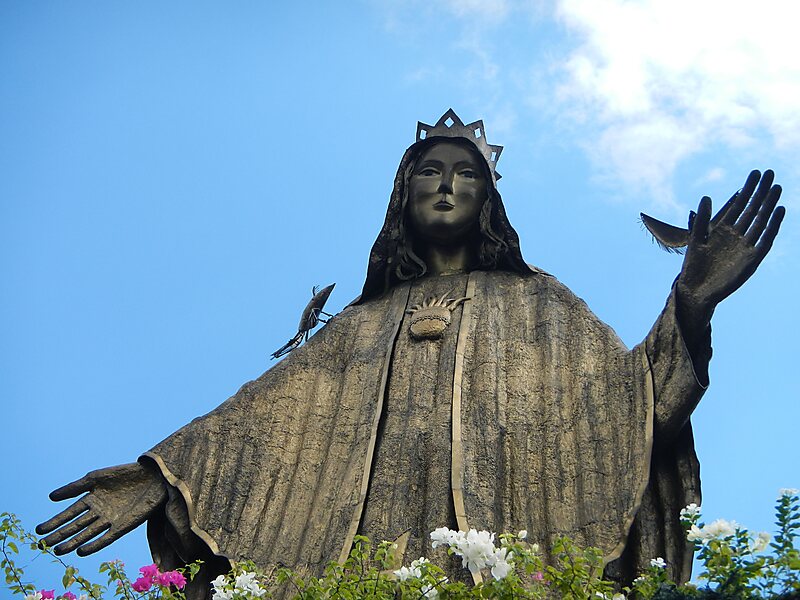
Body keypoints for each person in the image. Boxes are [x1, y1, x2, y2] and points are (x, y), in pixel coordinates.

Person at [36, 110, 785, 597]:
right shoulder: (357, 328)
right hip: (365, 560)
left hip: (498, 555)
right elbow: (252, 424)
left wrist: (690, 305)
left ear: (489, 200)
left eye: (467, 174)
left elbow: (630, 406)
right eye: (430, 170)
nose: (448, 185)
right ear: (403, 195)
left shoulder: (540, 306)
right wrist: (160, 474)